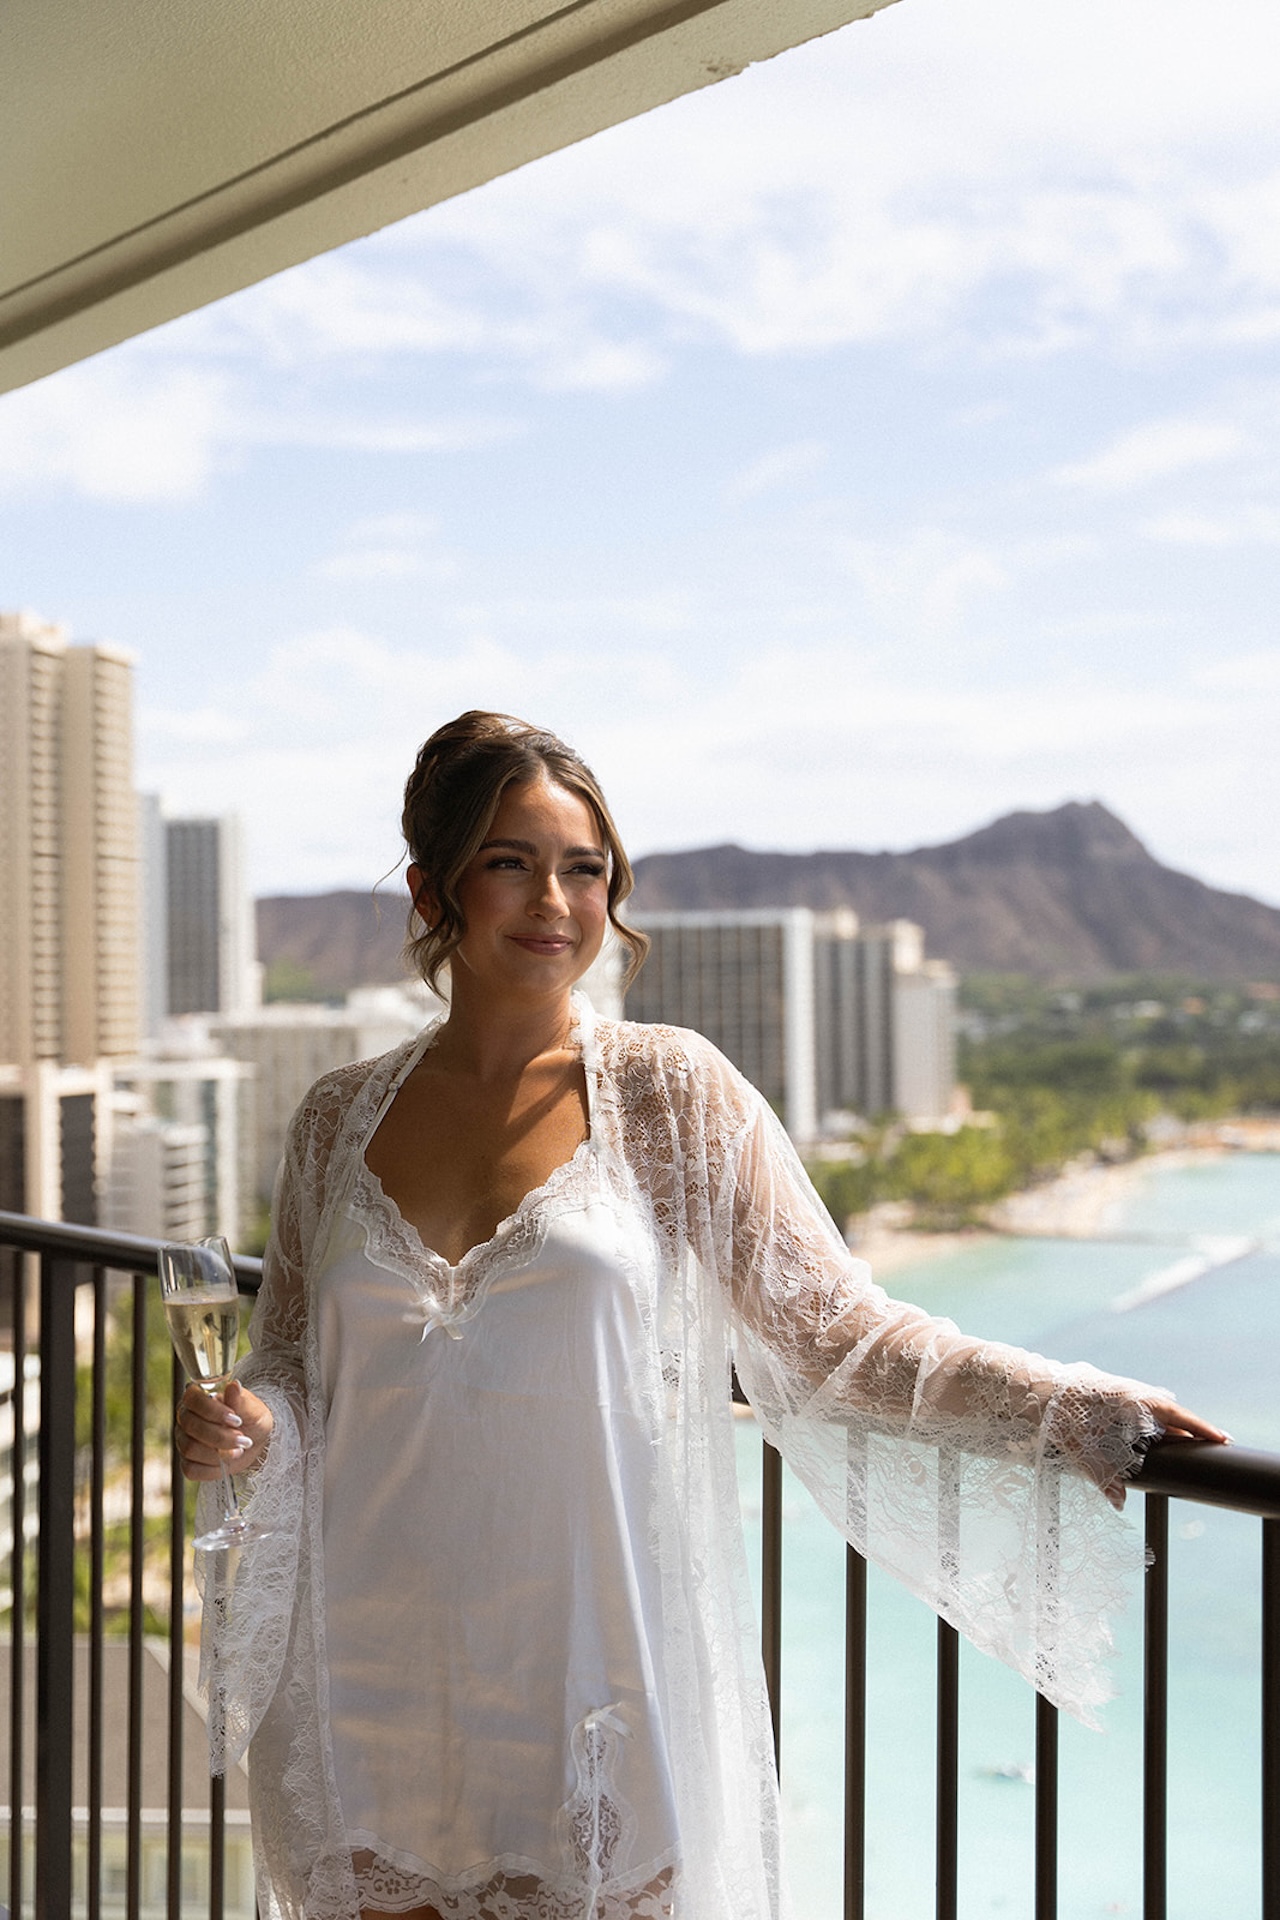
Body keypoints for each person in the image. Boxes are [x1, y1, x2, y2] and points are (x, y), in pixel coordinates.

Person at [176, 710, 1227, 1920]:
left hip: (591, 1675)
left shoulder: (666, 1092)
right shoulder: (336, 1117)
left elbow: (838, 1336)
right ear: (431, 887)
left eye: (585, 869)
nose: (554, 901)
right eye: (509, 862)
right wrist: (247, 1426)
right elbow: (296, 1370)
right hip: (372, 1666)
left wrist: (1062, 1406)